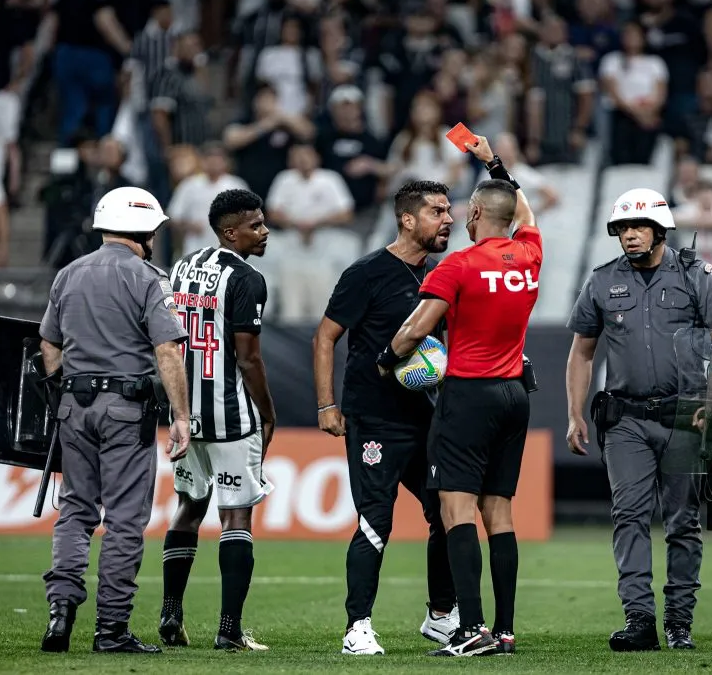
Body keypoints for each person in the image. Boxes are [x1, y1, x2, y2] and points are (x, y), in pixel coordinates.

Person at [377, 135, 540, 657]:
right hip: (516, 392)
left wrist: (387, 359)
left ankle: (471, 630)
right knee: (501, 514)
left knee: (455, 511)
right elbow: (526, 208)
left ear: (473, 213)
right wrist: (494, 163)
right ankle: (506, 630)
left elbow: (414, 329)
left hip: (467, 394)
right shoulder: (530, 255)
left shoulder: (459, 265)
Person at [565, 187, 712, 652]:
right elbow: (581, 353)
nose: (630, 235)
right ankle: (639, 618)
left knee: (683, 521)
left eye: (639, 226)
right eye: (623, 228)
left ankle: (679, 622)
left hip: (688, 414)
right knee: (629, 516)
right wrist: (574, 414)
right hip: (624, 419)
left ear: (660, 230)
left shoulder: (696, 275)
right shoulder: (601, 282)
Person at [38, 186, 192, 654]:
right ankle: (111, 630)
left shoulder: (69, 273)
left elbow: (49, 345)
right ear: (144, 228)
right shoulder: (149, 278)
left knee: (75, 512)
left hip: (74, 405)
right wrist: (181, 416)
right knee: (124, 521)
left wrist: (64, 394)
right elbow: (167, 349)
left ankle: (60, 614)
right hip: (126, 409)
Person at [312, 180, 459, 655]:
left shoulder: (439, 276)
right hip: (374, 419)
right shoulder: (368, 272)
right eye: (438, 211)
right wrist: (326, 405)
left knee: (444, 511)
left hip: (425, 418)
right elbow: (324, 338)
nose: (449, 220)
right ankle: (358, 627)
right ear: (407, 219)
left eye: (450, 211)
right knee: (376, 519)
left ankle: (440, 616)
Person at [159, 189, 276, 652]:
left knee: (188, 507)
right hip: (230, 415)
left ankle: (171, 612)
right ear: (231, 231)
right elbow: (248, 358)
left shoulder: (183, 266)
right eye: (256, 225)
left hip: (185, 412)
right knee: (235, 516)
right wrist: (267, 412)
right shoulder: (248, 279)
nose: (265, 232)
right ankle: (229, 629)